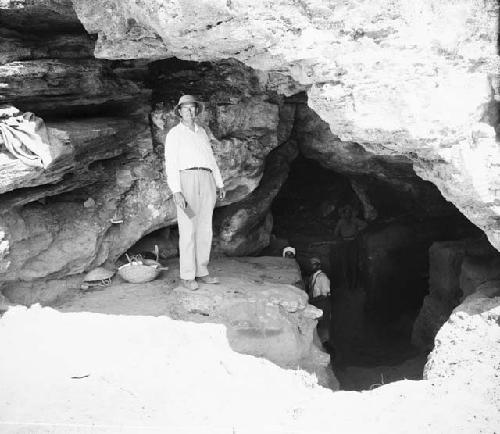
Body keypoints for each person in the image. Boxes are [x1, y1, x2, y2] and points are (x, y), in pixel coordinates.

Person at [164, 95, 225, 290]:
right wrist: (176, 191)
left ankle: (202, 271)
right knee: (188, 227)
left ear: (196, 111)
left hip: (206, 181)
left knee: (205, 227)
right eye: (185, 108)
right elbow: (171, 164)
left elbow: (211, 159)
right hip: (187, 182)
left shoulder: (202, 133)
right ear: (179, 111)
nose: (189, 111)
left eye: (192, 108)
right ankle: (188, 275)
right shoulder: (175, 134)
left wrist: (219, 183)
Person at [334, 204, 367, 290]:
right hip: (345, 244)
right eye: (346, 212)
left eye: (349, 212)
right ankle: (348, 285)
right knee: (345, 264)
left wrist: (358, 230)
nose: (348, 214)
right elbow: (336, 233)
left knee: (354, 263)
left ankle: (354, 285)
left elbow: (365, 224)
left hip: (353, 243)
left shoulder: (354, 220)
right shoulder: (341, 221)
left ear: (351, 213)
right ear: (344, 213)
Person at [307, 257, 332, 349]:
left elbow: (325, 294)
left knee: (323, 324)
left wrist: (312, 301)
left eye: (314, 264)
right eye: (311, 264)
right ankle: (320, 345)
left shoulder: (322, 277)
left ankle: (326, 346)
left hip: (323, 304)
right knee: (318, 325)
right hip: (317, 303)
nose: (312, 266)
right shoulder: (313, 277)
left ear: (319, 265)